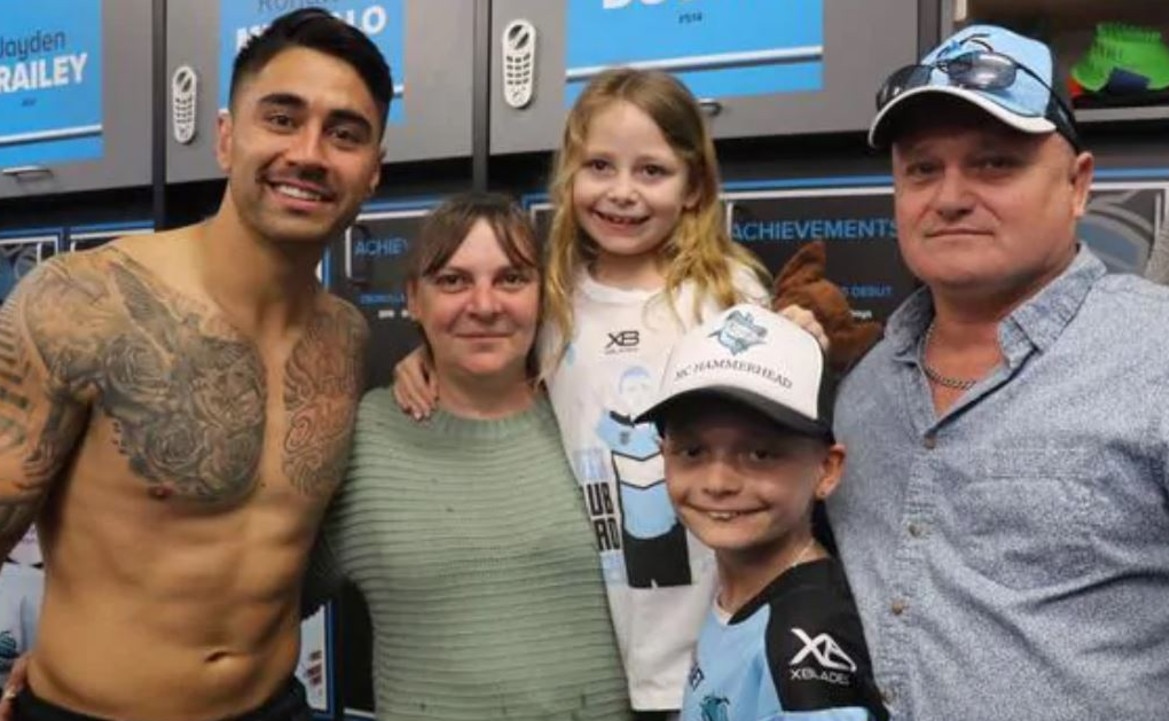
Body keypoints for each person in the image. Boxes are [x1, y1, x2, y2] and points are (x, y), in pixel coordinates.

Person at [831, 24, 1169, 720]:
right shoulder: (862, 391)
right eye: (922, 168)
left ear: (1077, 185)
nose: (949, 196)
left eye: (994, 164)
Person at [392, 67, 835, 718]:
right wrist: (423, 353)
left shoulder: (727, 293)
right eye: (600, 165)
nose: (622, 192)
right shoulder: (552, 299)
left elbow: (783, 426)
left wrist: (798, 336)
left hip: (722, 635)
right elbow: (484, 348)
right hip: (597, 651)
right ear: (570, 177)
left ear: (694, 188)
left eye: (651, 171)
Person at [0, 9, 386, 721]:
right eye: (281, 117)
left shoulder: (348, 338)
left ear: (373, 173)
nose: (309, 152)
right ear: (225, 138)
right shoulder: (84, 300)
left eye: (345, 133)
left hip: (273, 706)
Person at [304, 192, 630, 720]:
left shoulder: (599, 418)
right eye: (453, 281)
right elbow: (262, 604)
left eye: (511, 279)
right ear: (414, 298)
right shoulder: (362, 439)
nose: (484, 305)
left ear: (542, 296)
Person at [636, 304, 888, 721]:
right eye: (693, 451)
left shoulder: (802, 642)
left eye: (760, 453)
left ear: (827, 469)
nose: (718, 483)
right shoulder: (746, 594)